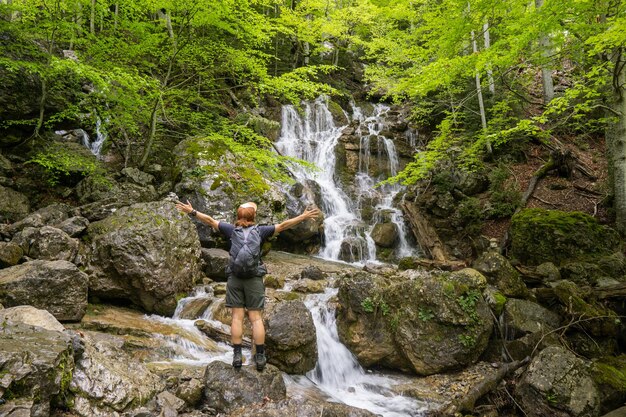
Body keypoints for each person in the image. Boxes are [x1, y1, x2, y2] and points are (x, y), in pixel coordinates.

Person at [176, 200, 320, 371]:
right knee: (255, 318)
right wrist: (303, 216)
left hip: (235, 278)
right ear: (253, 217)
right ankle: (259, 357)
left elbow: (209, 220)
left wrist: (192, 211)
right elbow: (284, 225)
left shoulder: (230, 230)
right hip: (254, 278)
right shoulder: (261, 231)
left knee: (237, 317)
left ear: (238, 217)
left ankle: (237, 356)